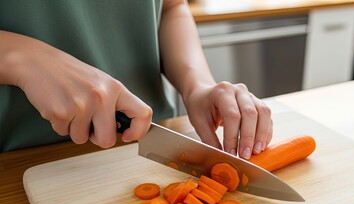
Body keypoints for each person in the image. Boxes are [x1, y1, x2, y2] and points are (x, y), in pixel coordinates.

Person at [0, 0, 273, 159]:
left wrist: (197, 86)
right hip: (20, 159)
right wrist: (20, 57)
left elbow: (171, 7)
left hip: (150, 145)